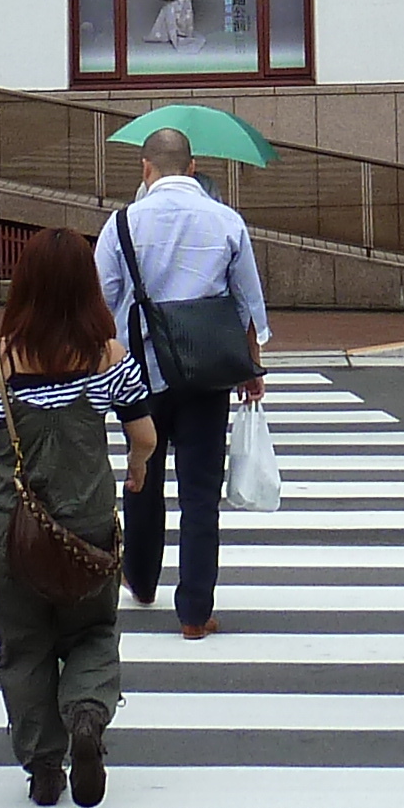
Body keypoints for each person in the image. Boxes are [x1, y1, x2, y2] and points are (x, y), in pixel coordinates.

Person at [0, 227, 157, 807]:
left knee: (25, 644)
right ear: (88, 288)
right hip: (87, 527)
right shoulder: (109, 357)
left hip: (16, 534)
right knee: (91, 632)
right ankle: (87, 716)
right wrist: (136, 468)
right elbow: (144, 435)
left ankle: (43, 767)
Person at [97, 125, 268, 636]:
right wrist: (252, 368)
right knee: (199, 492)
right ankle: (195, 611)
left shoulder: (122, 223)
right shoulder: (226, 221)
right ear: (192, 168)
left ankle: (142, 579)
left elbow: (104, 297)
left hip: (140, 375)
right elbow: (247, 304)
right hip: (207, 373)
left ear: (146, 169)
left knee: (141, 474)